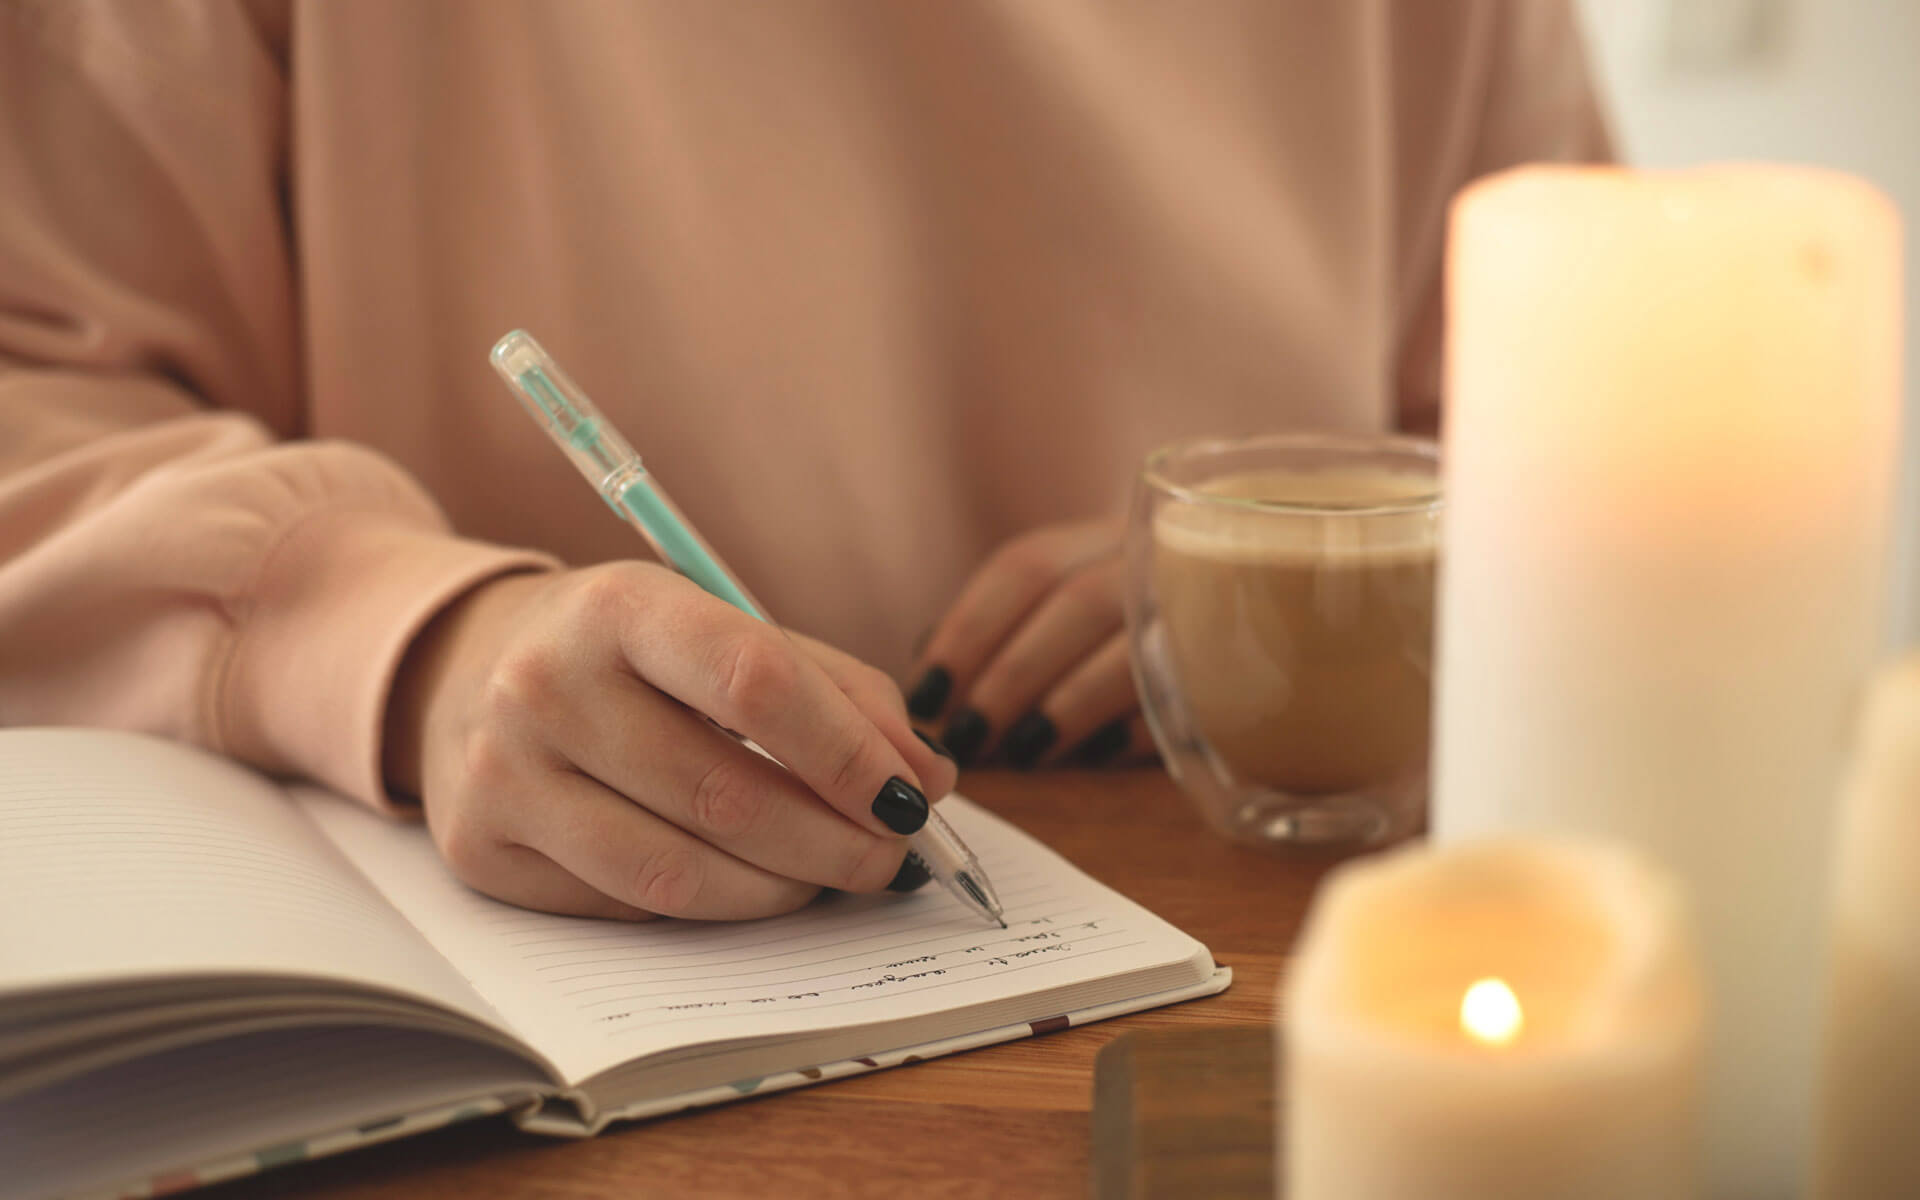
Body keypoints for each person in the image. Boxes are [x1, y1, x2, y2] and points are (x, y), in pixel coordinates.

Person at [0, 1, 1610, 921]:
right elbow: (43, 395)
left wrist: (1327, 578)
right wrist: (411, 641)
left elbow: (1605, 411)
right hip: (521, 991)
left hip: (1300, 944)